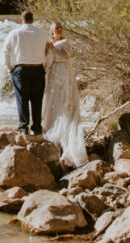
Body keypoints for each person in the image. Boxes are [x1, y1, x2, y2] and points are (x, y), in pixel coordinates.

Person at [42, 22, 88, 167]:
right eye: (57, 28)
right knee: (53, 101)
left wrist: (53, 50)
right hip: (53, 74)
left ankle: (66, 137)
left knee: (64, 102)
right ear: (52, 31)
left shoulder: (66, 42)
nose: (60, 29)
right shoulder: (50, 43)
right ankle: (51, 127)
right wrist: (46, 53)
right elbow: (48, 62)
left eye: (61, 27)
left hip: (64, 73)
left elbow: (67, 57)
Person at [3, 10, 49, 139]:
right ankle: (37, 129)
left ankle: (24, 129)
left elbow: (6, 52)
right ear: (33, 20)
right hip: (38, 68)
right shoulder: (42, 33)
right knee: (37, 100)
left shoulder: (14, 33)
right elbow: (48, 50)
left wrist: (9, 68)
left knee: (22, 99)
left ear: (21, 20)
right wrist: (46, 66)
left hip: (20, 69)